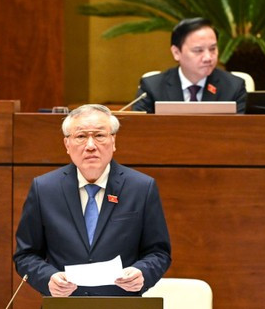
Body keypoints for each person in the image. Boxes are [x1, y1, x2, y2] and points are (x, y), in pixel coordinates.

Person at [14, 104, 172, 297]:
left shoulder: (141, 187)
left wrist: (143, 273)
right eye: (81, 137)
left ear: (113, 141)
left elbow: (159, 252)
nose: (90, 146)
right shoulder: (45, 189)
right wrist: (48, 277)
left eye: (99, 136)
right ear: (67, 144)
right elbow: (25, 255)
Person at [132, 18, 247, 113]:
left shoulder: (234, 87)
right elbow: (138, 131)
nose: (208, 57)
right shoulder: (153, 87)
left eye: (213, 49)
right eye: (198, 50)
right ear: (176, 53)